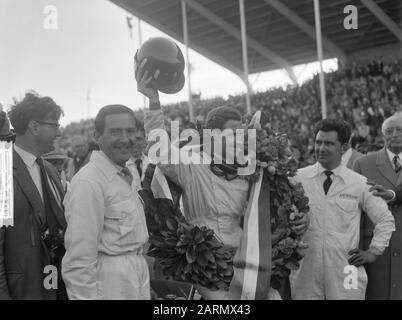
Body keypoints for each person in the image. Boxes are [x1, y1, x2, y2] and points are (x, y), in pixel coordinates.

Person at [137, 67, 309, 299]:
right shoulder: (193, 164)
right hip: (203, 262)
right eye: (232, 133)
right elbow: (160, 151)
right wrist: (154, 103)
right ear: (212, 135)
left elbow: (284, 203)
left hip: (244, 257)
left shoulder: (252, 168)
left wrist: (300, 218)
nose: (239, 138)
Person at [290, 119, 395, 300]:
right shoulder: (297, 179)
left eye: (329, 143)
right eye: (318, 142)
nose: (321, 148)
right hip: (305, 270)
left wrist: (373, 252)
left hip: (348, 270)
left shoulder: (359, 182)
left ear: (344, 146)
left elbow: (385, 219)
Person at [62, 104, 150, 300]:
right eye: (115, 132)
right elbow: (79, 262)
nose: (125, 139)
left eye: (130, 131)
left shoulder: (122, 174)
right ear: (97, 136)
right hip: (111, 283)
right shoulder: (89, 182)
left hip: (134, 274)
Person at [0, 92, 67, 300]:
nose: (59, 133)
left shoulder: (50, 170)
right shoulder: (4, 170)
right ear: (34, 126)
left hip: (56, 282)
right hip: (23, 289)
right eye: (54, 125)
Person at [352, 115, 402, 299]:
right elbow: (353, 213)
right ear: (382, 135)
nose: (395, 134)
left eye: (400, 129)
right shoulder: (363, 164)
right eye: (389, 131)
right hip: (375, 256)